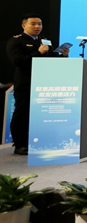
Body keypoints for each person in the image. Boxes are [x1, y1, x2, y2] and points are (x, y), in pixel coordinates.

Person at [6, 13, 69, 155]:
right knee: (22, 114)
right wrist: (38, 53)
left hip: (44, 84)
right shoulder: (16, 41)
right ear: (24, 26)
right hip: (26, 83)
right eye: (33, 24)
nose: (37, 27)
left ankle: (39, 141)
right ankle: (20, 144)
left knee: (40, 115)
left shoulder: (44, 41)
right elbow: (18, 61)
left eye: (39, 24)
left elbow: (50, 60)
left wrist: (63, 56)